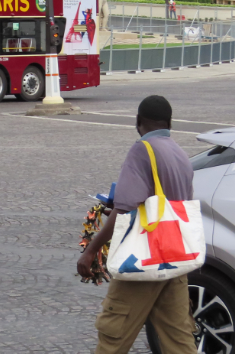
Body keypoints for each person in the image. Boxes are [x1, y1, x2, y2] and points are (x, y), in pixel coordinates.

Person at [77, 95, 195, 354]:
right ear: (170, 123)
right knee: (179, 340)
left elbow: (124, 209)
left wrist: (91, 250)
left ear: (138, 121)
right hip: (174, 260)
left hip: (143, 259)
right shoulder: (181, 154)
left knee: (113, 337)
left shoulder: (143, 149)